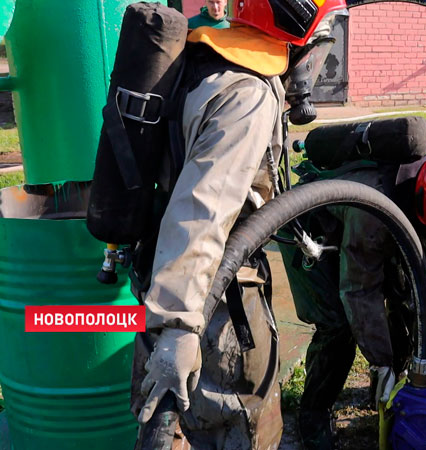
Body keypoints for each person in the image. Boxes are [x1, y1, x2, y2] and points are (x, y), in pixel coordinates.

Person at [129, 1, 348, 448]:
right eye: (320, 50)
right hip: (210, 303)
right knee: (241, 427)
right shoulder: (246, 94)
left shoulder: (200, 59)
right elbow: (202, 210)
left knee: (171, 432)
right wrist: (177, 329)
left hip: (161, 279)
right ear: (298, 34)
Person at [280, 148, 426, 450]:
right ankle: (313, 414)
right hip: (311, 226)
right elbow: (359, 291)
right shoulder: (373, 215)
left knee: (404, 300)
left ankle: (392, 391)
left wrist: (425, 326)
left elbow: (420, 277)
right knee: (338, 326)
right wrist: (380, 361)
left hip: (367, 227)